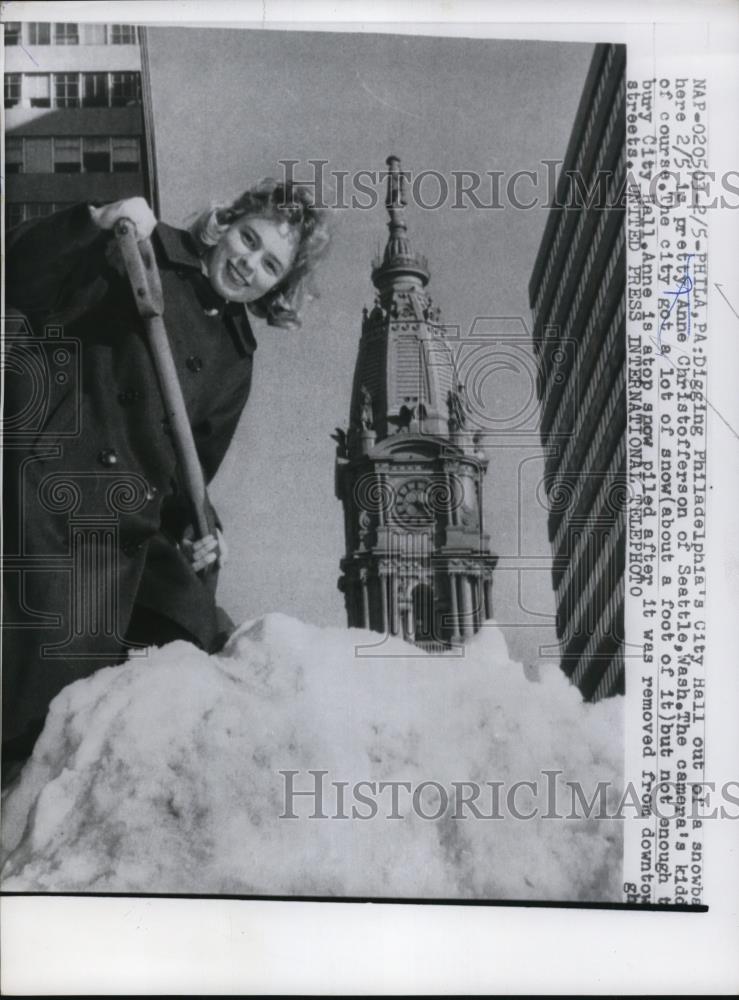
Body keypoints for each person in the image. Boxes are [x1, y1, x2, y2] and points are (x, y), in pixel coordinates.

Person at [2, 180, 330, 782]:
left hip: (127, 528)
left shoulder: (236, 355)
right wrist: (94, 220)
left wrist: (203, 533)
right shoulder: (138, 246)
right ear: (223, 223)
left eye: (269, 264)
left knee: (202, 637)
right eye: (248, 237)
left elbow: (189, 476)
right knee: (42, 681)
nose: (247, 262)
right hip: (50, 483)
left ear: (279, 286)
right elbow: (18, 272)